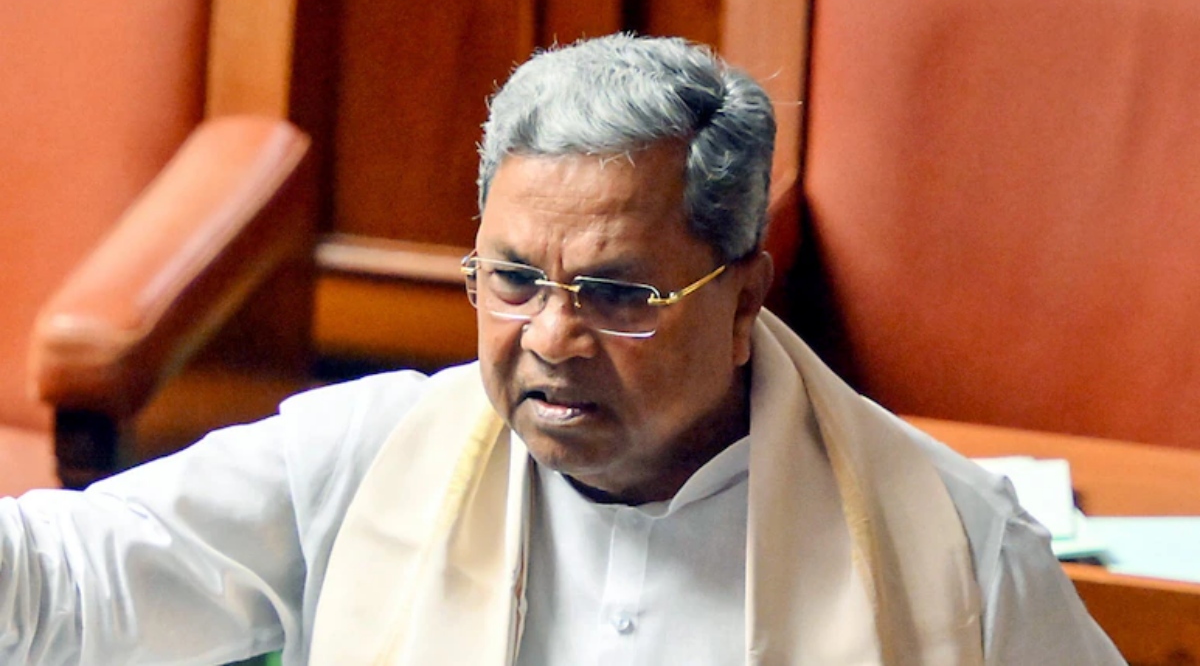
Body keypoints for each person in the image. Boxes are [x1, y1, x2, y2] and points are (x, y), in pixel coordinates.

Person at [0, 34, 1122, 665]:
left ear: (743, 301)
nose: (550, 336)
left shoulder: (951, 546)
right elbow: (65, 586)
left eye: (619, 294)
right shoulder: (371, 460)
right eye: (513, 280)